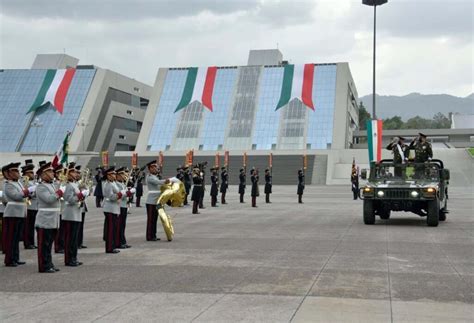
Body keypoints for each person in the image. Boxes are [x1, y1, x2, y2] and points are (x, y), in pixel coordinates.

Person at [35, 162, 63, 273]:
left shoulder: (51, 185)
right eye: (50, 171)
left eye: (52, 171)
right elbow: (49, 199)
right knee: (44, 245)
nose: (52, 173)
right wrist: (60, 192)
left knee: (49, 244)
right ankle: (43, 266)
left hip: (53, 219)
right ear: (43, 174)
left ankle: (49, 263)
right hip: (45, 220)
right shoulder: (41, 187)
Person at [2, 162, 30, 267]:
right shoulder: (8, 184)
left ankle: (16, 257)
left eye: (17, 171)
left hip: (20, 213)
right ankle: (9, 259)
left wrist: (29, 192)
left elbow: (22, 195)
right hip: (12, 213)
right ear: (9, 173)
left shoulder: (18, 183)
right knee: (11, 238)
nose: (18, 173)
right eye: (15, 171)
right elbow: (16, 196)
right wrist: (27, 192)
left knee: (17, 237)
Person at [62, 163, 88, 266]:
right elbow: (69, 199)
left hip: (76, 213)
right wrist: (80, 195)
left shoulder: (74, 184)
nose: (75, 173)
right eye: (72, 172)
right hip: (70, 214)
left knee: (74, 238)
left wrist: (83, 195)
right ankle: (69, 259)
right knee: (70, 239)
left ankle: (74, 258)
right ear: (68, 174)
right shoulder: (68, 185)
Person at [145, 160, 167, 241]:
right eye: (154, 167)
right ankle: (149, 236)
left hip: (157, 201)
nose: (156, 168)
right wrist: (166, 181)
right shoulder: (150, 177)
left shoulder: (155, 176)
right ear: (150, 168)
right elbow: (157, 182)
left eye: (156, 167)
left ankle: (153, 235)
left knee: (155, 219)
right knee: (150, 220)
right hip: (151, 201)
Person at [102, 167, 122, 253]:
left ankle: (112, 246)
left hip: (114, 208)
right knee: (110, 229)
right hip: (109, 208)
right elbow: (111, 197)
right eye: (113, 174)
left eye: (114, 173)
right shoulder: (108, 184)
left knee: (113, 228)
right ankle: (109, 247)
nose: (115, 175)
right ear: (108, 176)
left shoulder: (113, 183)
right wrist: (120, 194)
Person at [21, 160, 38, 249]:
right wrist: (33, 192)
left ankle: (31, 242)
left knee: (32, 226)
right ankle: (27, 243)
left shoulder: (34, 181)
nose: (32, 174)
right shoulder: (24, 181)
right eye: (31, 172)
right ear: (26, 173)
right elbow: (25, 193)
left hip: (34, 206)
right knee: (28, 226)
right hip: (28, 206)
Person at [116, 167, 134, 248]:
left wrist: (130, 192)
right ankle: (119, 242)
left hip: (124, 206)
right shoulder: (117, 184)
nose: (124, 175)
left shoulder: (123, 184)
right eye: (122, 174)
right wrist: (128, 193)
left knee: (123, 225)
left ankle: (123, 241)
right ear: (118, 175)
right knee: (119, 225)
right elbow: (120, 196)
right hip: (119, 206)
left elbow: (125, 195)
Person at [53, 164, 65, 254]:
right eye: (60, 173)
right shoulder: (55, 184)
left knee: (63, 229)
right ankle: (58, 247)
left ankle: (62, 245)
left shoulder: (63, 183)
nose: (62, 175)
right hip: (58, 207)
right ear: (56, 174)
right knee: (58, 230)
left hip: (64, 208)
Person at [76, 165, 88, 249]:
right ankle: (76, 243)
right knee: (77, 226)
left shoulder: (80, 182)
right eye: (78, 173)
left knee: (81, 226)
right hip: (76, 205)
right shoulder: (74, 183)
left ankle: (80, 242)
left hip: (82, 205)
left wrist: (86, 190)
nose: (79, 175)